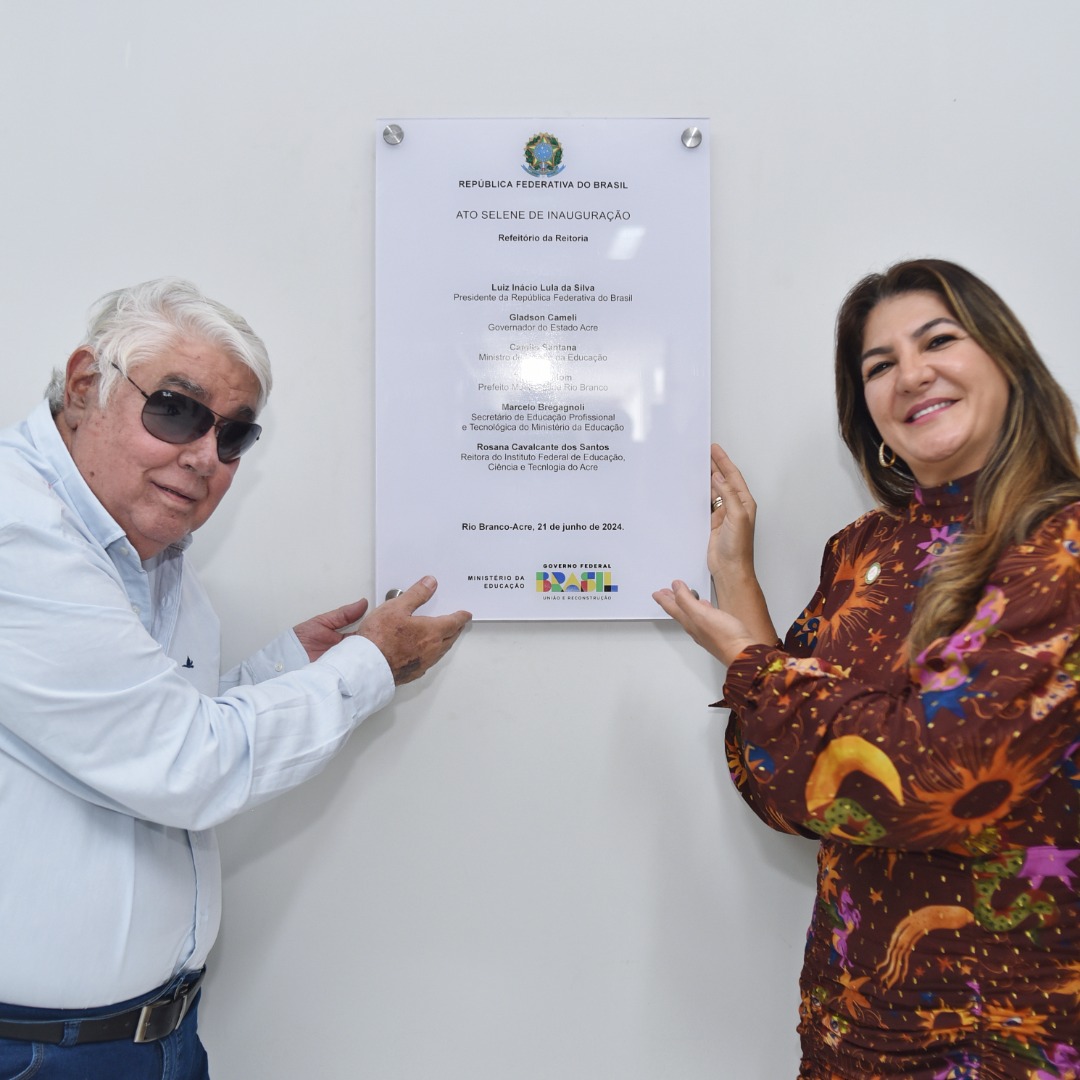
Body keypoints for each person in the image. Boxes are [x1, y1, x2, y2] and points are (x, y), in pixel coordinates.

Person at [0, 277, 471, 1079]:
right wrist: (366, 666)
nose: (203, 458)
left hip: (153, 1036)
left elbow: (143, 730)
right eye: (176, 410)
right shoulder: (20, 538)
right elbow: (186, 766)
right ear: (84, 386)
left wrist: (287, 668)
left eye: (233, 436)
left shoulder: (144, 548)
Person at [654, 258, 1080, 1078]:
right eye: (879, 365)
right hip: (856, 1033)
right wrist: (736, 577)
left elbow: (927, 779)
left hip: (1011, 1041)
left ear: (1007, 361)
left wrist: (754, 670)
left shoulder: (1060, 547)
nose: (910, 375)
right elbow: (782, 781)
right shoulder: (862, 551)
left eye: (938, 341)